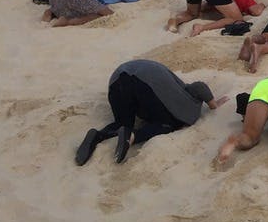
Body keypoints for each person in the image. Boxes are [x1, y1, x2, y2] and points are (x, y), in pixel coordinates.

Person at [75, 60, 230, 165]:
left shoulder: (178, 94)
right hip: (146, 81)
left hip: (118, 78)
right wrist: (213, 104)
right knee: (166, 124)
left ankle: (97, 136)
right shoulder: (188, 101)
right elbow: (199, 86)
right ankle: (133, 136)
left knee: (122, 123)